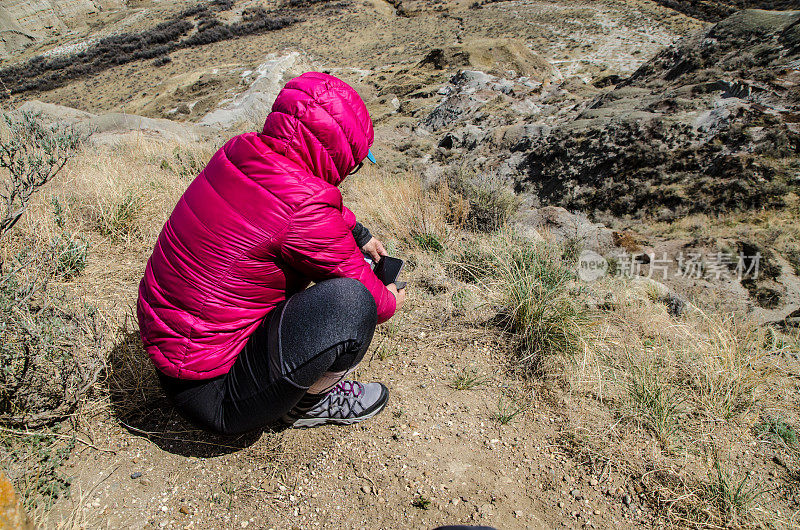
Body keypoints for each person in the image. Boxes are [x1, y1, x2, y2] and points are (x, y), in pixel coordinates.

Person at [137, 72, 406, 435]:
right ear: (338, 154)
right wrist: (389, 297)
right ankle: (309, 405)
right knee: (354, 303)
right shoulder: (308, 210)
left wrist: (360, 235)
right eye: (354, 163)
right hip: (215, 395)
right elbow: (376, 303)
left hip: (173, 356)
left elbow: (292, 199)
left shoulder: (239, 152)